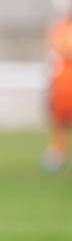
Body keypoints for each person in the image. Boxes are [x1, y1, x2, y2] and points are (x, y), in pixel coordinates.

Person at [42, 9, 72, 172]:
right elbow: (55, 48)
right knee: (59, 121)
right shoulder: (61, 28)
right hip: (62, 86)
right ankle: (58, 151)